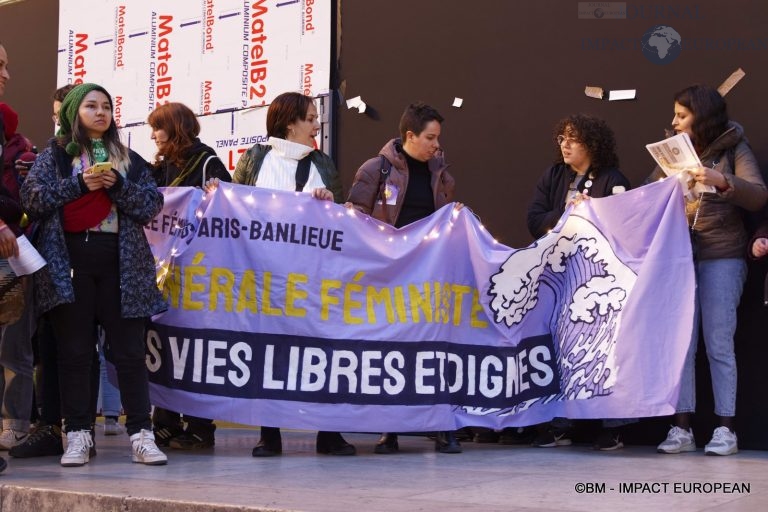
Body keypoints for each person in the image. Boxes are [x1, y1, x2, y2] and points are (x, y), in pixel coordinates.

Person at [20, 82, 168, 467]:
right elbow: (32, 200)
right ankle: (78, 435)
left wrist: (117, 185)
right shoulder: (53, 156)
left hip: (123, 265)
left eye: (106, 106)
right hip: (70, 264)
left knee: (131, 353)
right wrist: (78, 184)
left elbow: (152, 203)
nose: (101, 112)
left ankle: (141, 434)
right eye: (91, 106)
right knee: (75, 353)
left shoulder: (129, 158)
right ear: (73, 113)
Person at [207, 91, 351, 457]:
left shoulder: (323, 163)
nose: (317, 124)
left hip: (314, 276)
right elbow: (234, 205)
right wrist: (217, 195)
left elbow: (341, 219)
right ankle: (268, 434)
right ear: (289, 123)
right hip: (265, 274)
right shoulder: (256, 158)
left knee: (323, 349)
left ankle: (329, 432)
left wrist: (329, 203)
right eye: (310, 118)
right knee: (266, 351)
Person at [650, 84, 767, 456]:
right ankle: (681, 428)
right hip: (681, 257)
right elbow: (648, 193)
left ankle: (725, 429)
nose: (673, 121)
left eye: (681, 115)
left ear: (701, 116)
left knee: (718, 343)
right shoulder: (673, 151)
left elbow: (758, 194)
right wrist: (669, 189)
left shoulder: (734, 146)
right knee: (682, 345)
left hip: (723, 255)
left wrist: (722, 181)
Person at [346, 101, 461, 454]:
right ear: (409, 136)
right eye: (430, 137)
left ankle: (442, 425)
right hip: (388, 276)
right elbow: (354, 219)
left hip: (429, 275)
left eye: (438, 138)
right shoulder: (374, 170)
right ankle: (390, 427)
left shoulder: (442, 176)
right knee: (390, 351)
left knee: (435, 349)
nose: (436, 145)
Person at [526, 113, 632, 451]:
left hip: (601, 278)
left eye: (574, 138)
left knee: (604, 347)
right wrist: (567, 214)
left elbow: (624, 226)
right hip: (559, 275)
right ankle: (560, 424)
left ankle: (613, 425)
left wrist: (593, 213)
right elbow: (534, 219)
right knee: (560, 346)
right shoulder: (554, 175)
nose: (565, 144)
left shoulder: (613, 178)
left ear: (593, 143)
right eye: (562, 138)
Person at [147, 101, 231, 450]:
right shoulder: (158, 168)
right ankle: (164, 420)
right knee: (163, 343)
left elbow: (229, 206)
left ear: (175, 127)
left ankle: (200, 426)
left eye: (158, 127)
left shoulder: (207, 160)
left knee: (194, 348)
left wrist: (215, 194)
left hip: (197, 272)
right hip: (164, 273)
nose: (153, 134)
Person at [0, 102, 36, 452]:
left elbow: (23, 207)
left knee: (13, 343)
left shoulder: (24, 158)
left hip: (13, 256)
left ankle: (14, 423)